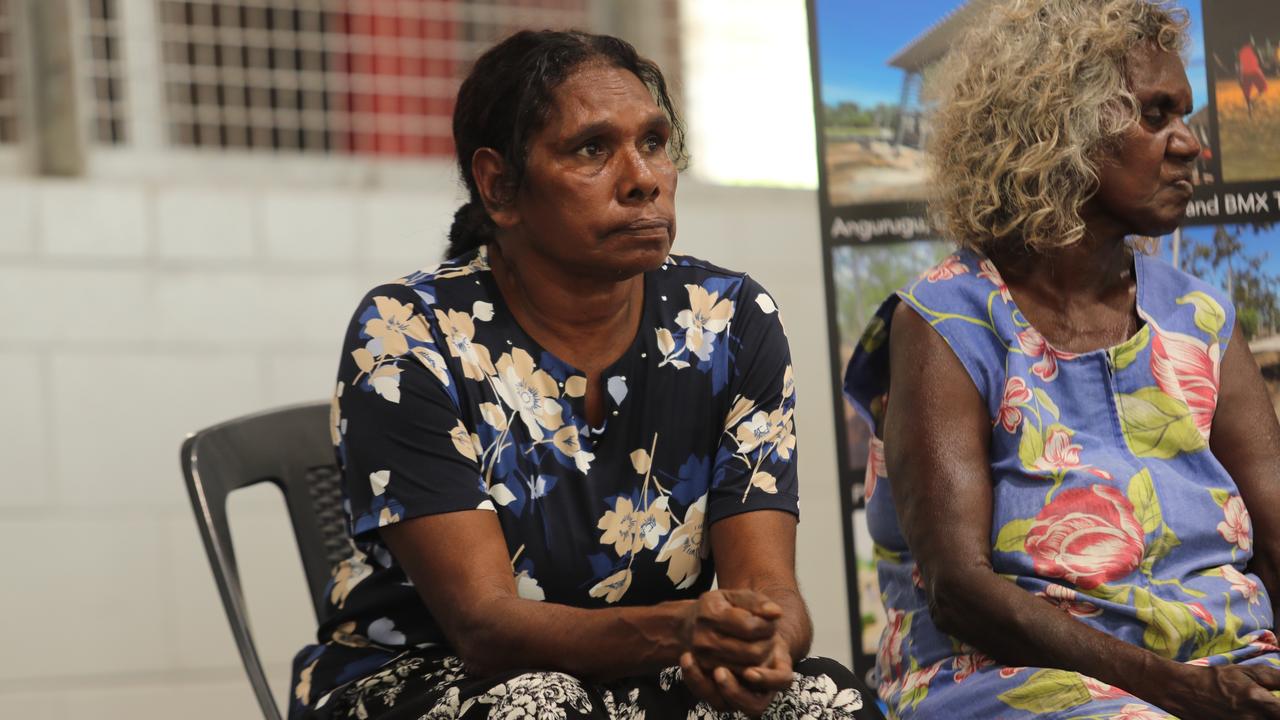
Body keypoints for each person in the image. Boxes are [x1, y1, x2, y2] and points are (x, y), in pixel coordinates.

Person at [289, 29, 869, 720]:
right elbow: (484, 628)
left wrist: (760, 644)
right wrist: (681, 629)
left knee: (819, 699)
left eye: (654, 142)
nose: (642, 178)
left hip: (647, 675)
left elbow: (769, 590)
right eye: (593, 149)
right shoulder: (408, 335)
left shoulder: (730, 319)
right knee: (544, 706)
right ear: (500, 186)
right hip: (429, 679)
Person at [844, 1, 1280, 718]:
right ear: (1058, 128)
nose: (1189, 143)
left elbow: (1275, 541)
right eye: (1156, 115)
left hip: (1223, 663)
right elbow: (960, 590)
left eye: (1186, 116)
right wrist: (1176, 690)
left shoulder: (1200, 319)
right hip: (1012, 673)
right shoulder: (946, 322)